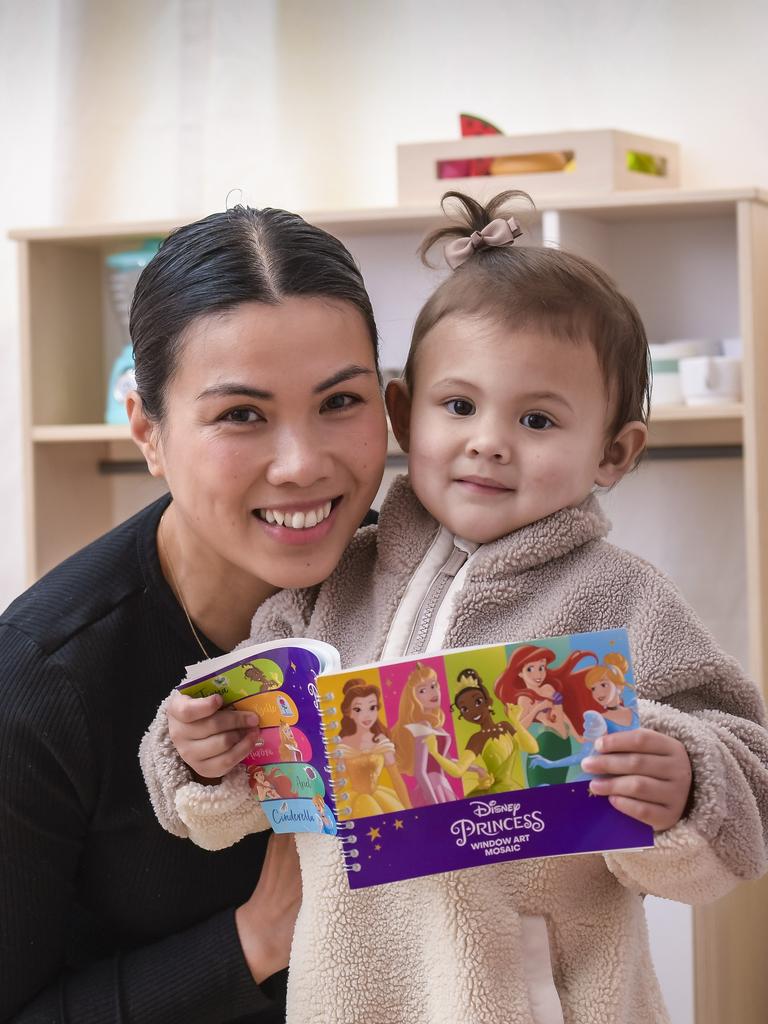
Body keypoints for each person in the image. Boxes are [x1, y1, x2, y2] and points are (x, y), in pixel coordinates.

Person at [141, 190, 768, 1024]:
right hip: (352, 1000)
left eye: (538, 418)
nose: (489, 441)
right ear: (404, 413)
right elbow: (230, 794)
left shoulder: (622, 599)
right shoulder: (327, 588)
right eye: (458, 405)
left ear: (614, 452)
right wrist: (197, 753)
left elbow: (745, 789)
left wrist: (686, 777)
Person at [0, 204, 390, 1021]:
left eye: (341, 402)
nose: (302, 464)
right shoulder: (40, 680)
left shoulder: (427, 590)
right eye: (241, 415)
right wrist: (257, 937)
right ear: (148, 428)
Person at [335, 678, 411, 816]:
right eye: (358, 709)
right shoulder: (344, 744)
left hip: (380, 797)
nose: (366, 715)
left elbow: (396, 778)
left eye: (372, 707)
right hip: (353, 801)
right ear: (349, 713)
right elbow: (339, 782)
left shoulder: (381, 741)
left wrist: (410, 808)